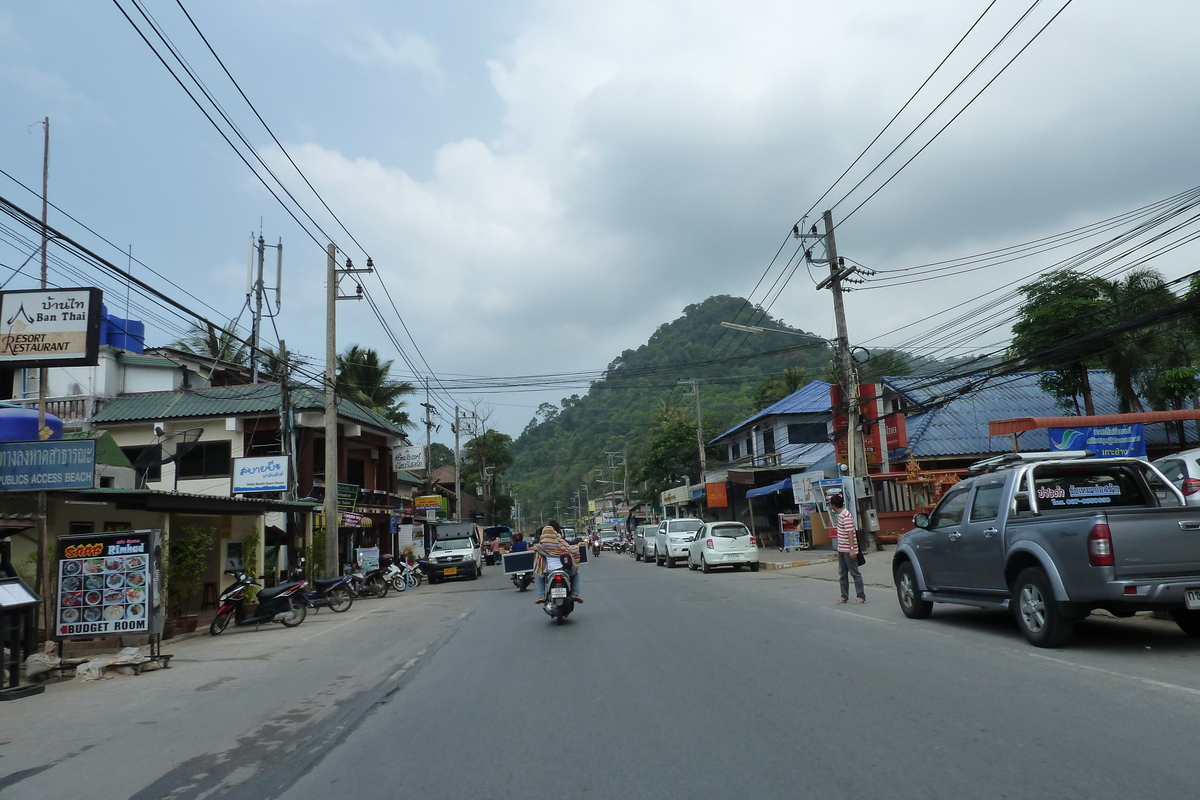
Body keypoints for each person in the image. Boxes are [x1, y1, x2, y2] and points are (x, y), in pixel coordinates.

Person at [533, 520, 582, 604]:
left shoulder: (541, 546)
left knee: (540, 575)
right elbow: (572, 549)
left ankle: (541, 596)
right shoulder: (561, 542)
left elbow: (531, 549)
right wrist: (579, 545)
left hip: (549, 572)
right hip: (564, 570)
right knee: (575, 572)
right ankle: (576, 594)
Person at [830, 493, 865, 604]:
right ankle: (844, 596)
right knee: (842, 574)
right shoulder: (840, 516)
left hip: (848, 550)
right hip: (841, 549)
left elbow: (851, 532)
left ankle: (861, 596)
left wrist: (852, 549)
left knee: (854, 573)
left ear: (833, 505)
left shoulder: (846, 516)